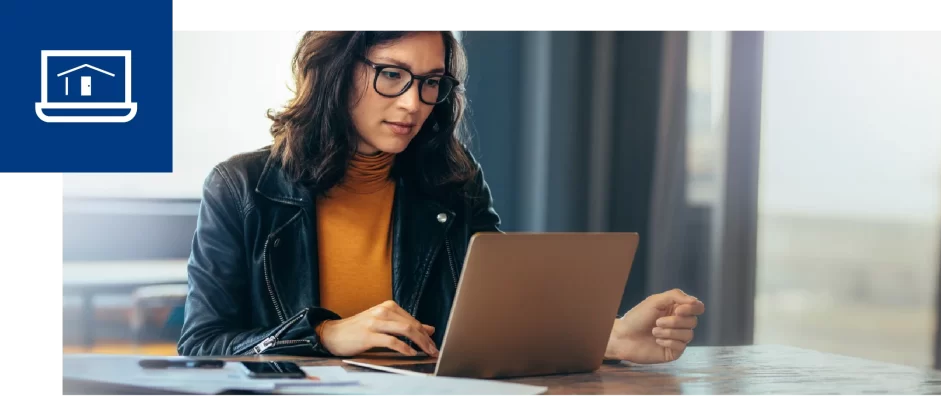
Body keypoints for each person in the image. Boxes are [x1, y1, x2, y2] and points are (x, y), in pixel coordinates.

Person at [176, 30, 705, 365]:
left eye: (431, 82)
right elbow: (201, 345)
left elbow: (500, 316)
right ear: (335, 71)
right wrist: (326, 335)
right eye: (391, 75)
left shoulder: (453, 179)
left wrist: (607, 338)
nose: (414, 102)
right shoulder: (242, 187)